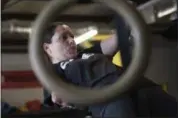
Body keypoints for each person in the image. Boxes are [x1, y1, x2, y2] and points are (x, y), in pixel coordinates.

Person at [43, 24, 177, 117]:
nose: (71, 41)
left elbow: (115, 40)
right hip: (113, 101)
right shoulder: (53, 73)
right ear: (48, 48)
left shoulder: (87, 54)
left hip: (145, 90)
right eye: (64, 37)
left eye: (72, 36)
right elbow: (57, 97)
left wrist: (126, 18)